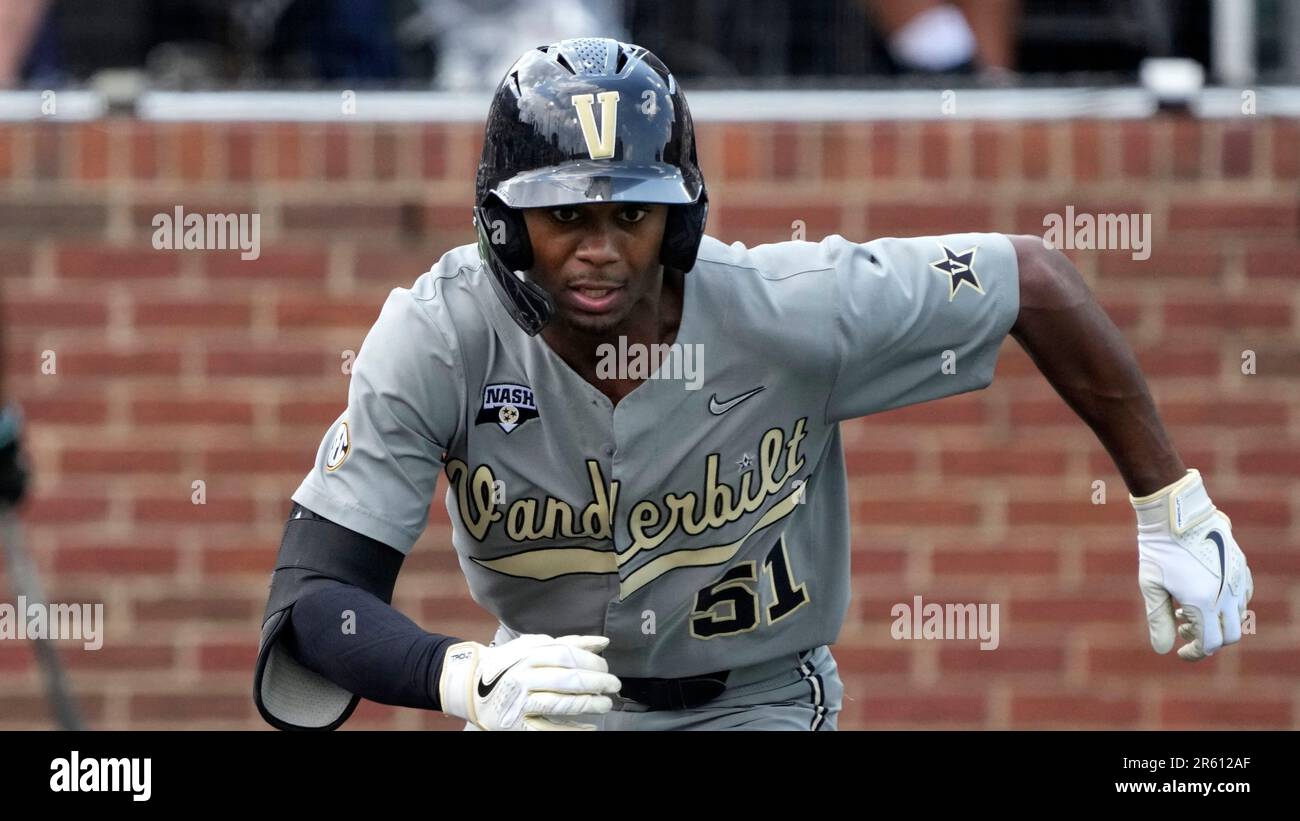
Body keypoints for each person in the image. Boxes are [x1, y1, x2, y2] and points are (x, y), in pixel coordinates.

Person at [253, 37, 1253, 732]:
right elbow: (315, 599)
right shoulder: (438, 333)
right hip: (550, 699)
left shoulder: (790, 306)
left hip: (760, 698)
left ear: (680, 220)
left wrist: (1170, 503)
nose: (598, 250)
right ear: (505, 225)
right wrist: (463, 674)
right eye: (565, 217)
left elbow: (1031, 277)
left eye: (631, 216)